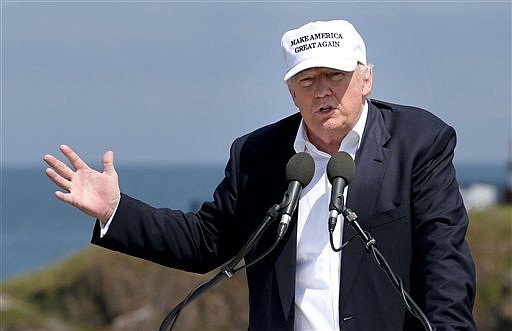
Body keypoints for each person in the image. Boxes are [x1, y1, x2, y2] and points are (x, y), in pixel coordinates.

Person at [44, 19, 476, 331]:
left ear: (366, 79)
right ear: (291, 92)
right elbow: (207, 241)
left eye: (335, 75)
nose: (322, 89)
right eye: (307, 80)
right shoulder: (257, 154)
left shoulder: (419, 141)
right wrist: (116, 211)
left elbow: (445, 260)